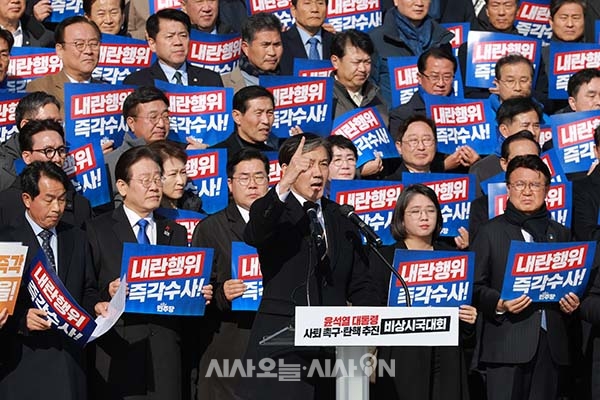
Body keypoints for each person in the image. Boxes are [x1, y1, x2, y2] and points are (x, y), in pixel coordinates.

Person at [239, 133, 378, 399]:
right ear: (286, 169)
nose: (317, 172)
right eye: (307, 164)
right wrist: (283, 185)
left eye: (323, 164)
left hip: (331, 351)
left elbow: (361, 283)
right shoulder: (274, 210)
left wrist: (373, 322)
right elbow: (254, 233)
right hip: (280, 346)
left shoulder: (341, 217)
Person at [86, 146, 212, 400]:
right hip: (119, 350)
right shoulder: (96, 229)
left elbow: (180, 295)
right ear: (122, 186)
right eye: (145, 180)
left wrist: (197, 294)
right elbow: (84, 289)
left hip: (165, 351)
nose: (154, 186)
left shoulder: (174, 231)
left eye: (157, 179)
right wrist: (106, 294)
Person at [472, 154, 581, 400]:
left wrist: (573, 300)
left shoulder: (560, 233)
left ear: (548, 190)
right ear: (508, 188)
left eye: (535, 185)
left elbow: (573, 280)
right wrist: (498, 303)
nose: (527, 191)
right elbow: (474, 286)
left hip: (551, 345)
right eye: (520, 184)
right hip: (506, 345)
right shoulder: (490, 232)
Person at [0, 161, 108, 399]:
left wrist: (96, 305)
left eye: (62, 199)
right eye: (49, 200)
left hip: (69, 363)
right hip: (21, 362)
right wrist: (21, 317)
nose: (57, 208)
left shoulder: (77, 238)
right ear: (27, 199)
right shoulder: (6, 240)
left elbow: (87, 289)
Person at [370, 184, 477, 400]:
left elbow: (464, 311)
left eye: (430, 210)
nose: (424, 217)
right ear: (401, 218)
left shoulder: (452, 256)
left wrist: (469, 317)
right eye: (415, 211)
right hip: (402, 356)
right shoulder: (383, 258)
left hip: (447, 354)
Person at [192, 148, 270, 399]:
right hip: (231, 339)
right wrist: (221, 292)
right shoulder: (211, 228)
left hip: (275, 335)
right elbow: (196, 291)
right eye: (244, 178)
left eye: (259, 177)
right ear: (229, 183)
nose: (253, 184)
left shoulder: (285, 224)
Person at [389, 47, 480, 173]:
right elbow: (397, 163)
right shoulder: (402, 115)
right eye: (434, 77)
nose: (441, 83)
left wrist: (477, 162)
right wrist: (442, 166)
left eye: (447, 77)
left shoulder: (469, 112)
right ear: (419, 77)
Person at [0, 119, 93, 228]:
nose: (57, 158)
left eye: (61, 150)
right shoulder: (5, 204)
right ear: (27, 157)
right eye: (48, 151)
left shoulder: (80, 205)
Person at [369, 0, 454, 105]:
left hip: (436, 116)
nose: (419, 3)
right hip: (392, 118)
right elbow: (368, 91)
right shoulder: (376, 40)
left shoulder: (442, 40)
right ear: (395, 1)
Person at [26, 16, 104, 117]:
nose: (88, 51)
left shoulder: (106, 90)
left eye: (94, 44)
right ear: (60, 50)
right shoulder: (41, 88)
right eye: (79, 44)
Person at [123, 8, 223, 87]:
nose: (178, 42)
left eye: (183, 35)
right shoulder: (137, 82)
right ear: (152, 43)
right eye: (169, 37)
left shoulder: (210, 80)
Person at [468, 130, 541, 240]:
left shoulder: (552, 199)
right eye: (518, 160)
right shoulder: (482, 207)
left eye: (532, 159)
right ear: (504, 163)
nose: (525, 166)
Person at [469, 96, 542, 197]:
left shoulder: (550, 161)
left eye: (536, 126)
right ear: (504, 130)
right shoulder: (482, 170)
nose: (533, 132)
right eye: (525, 125)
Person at [0, 92, 62, 191]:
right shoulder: (4, 170)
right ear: (25, 125)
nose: (55, 128)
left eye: (58, 123)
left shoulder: (61, 156)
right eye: (48, 122)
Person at [221, 12, 283, 92]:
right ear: (245, 48)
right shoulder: (224, 85)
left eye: (277, 44)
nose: (272, 52)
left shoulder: (292, 79)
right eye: (265, 45)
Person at [212, 85, 281, 154]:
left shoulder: (276, 156)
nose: (266, 121)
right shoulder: (218, 156)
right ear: (237, 117)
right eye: (258, 113)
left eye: (270, 113)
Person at [279, 0, 333, 75]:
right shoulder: (279, 43)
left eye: (320, 3)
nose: (315, 9)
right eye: (307, 3)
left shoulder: (337, 42)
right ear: (294, 10)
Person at [148, 139, 202, 211]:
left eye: (183, 172)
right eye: (173, 174)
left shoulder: (193, 207)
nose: (181, 182)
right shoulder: (146, 214)